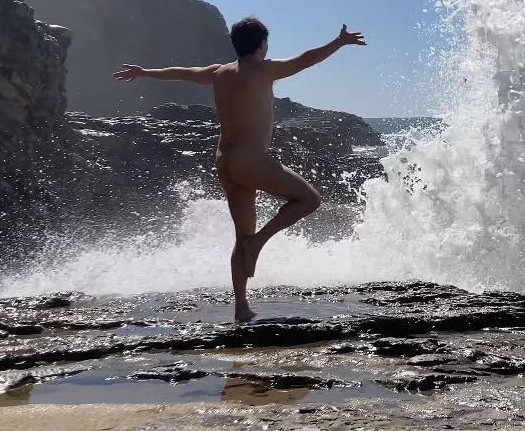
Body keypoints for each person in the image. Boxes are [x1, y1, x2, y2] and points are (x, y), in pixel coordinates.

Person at [113, 18, 366, 322]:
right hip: (251, 160)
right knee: (310, 200)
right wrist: (338, 42)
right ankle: (259, 243)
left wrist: (144, 73)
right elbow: (305, 60)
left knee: (240, 235)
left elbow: (182, 73)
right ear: (261, 46)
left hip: (225, 161)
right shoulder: (264, 69)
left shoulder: (218, 72)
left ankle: (241, 307)